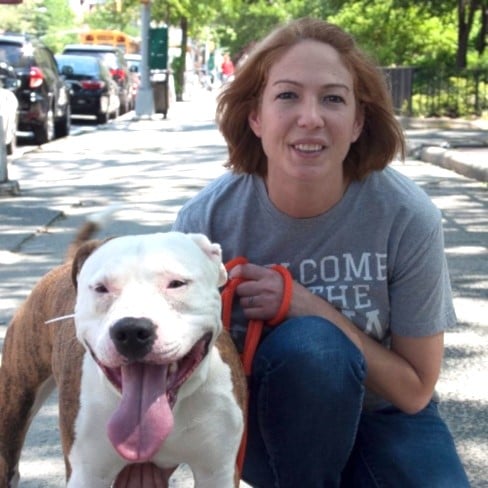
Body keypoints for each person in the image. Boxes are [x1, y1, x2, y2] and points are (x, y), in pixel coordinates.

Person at [172, 17, 469, 487]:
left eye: (332, 98)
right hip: (266, 428)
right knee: (315, 351)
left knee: (317, 336)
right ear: (256, 117)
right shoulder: (206, 221)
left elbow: (414, 391)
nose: (310, 117)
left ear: (357, 122)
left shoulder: (406, 215)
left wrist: (303, 304)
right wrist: (148, 458)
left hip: (384, 418)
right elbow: (176, 369)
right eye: (287, 95)